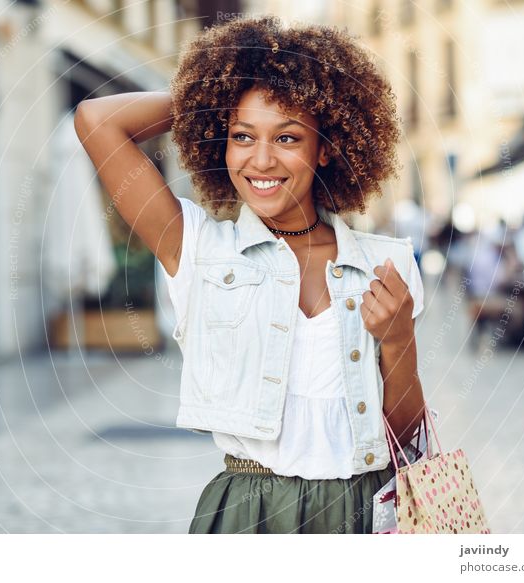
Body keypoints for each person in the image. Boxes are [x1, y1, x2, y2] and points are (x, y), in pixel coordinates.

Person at [74, 16, 427, 534]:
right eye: (242, 135)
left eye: (286, 137)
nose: (261, 160)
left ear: (325, 147)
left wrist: (399, 340)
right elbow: (96, 120)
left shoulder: (387, 263)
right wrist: (210, 98)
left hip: (361, 509)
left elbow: (403, 430)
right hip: (247, 511)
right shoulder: (196, 249)